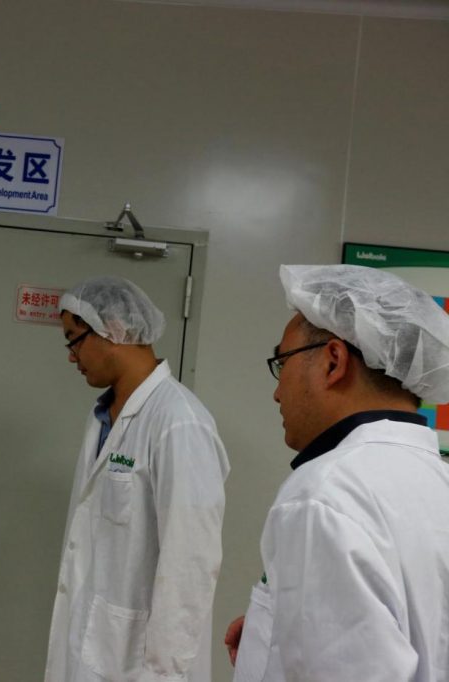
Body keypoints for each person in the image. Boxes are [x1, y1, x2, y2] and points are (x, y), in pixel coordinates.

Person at [225, 264, 449, 681]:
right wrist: (269, 629)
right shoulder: (438, 481)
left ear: (333, 361)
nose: (277, 392)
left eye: (282, 363)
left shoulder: (324, 493)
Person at [44, 276, 229, 682]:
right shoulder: (102, 417)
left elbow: (190, 564)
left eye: (74, 340)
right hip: (95, 647)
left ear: (113, 328)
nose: (72, 357)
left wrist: (164, 673)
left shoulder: (179, 422)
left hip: (140, 663)